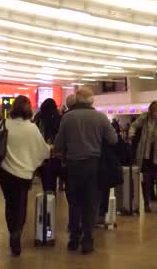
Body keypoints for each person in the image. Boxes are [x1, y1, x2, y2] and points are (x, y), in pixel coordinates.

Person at [53, 88, 117, 254]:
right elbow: (113, 139)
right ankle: (87, 240)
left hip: (73, 166)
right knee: (91, 203)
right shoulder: (100, 117)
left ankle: (73, 238)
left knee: (74, 203)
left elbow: (59, 145)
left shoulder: (67, 118)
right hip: (94, 165)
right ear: (91, 100)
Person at [0, 95, 50, 257]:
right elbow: (43, 150)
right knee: (20, 204)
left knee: (9, 203)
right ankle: (16, 232)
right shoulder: (31, 128)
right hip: (24, 174)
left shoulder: (3, 124)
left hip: (4, 172)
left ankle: (12, 229)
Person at [129, 101, 157, 215]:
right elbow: (134, 125)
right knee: (147, 180)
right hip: (145, 152)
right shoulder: (144, 118)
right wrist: (131, 133)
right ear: (152, 111)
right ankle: (147, 204)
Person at [34, 98, 63, 193]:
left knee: (46, 183)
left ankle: (48, 198)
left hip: (42, 155)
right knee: (54, 178)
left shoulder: (38, 117)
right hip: (56, 154)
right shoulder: (58, 118)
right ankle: (53, 195)